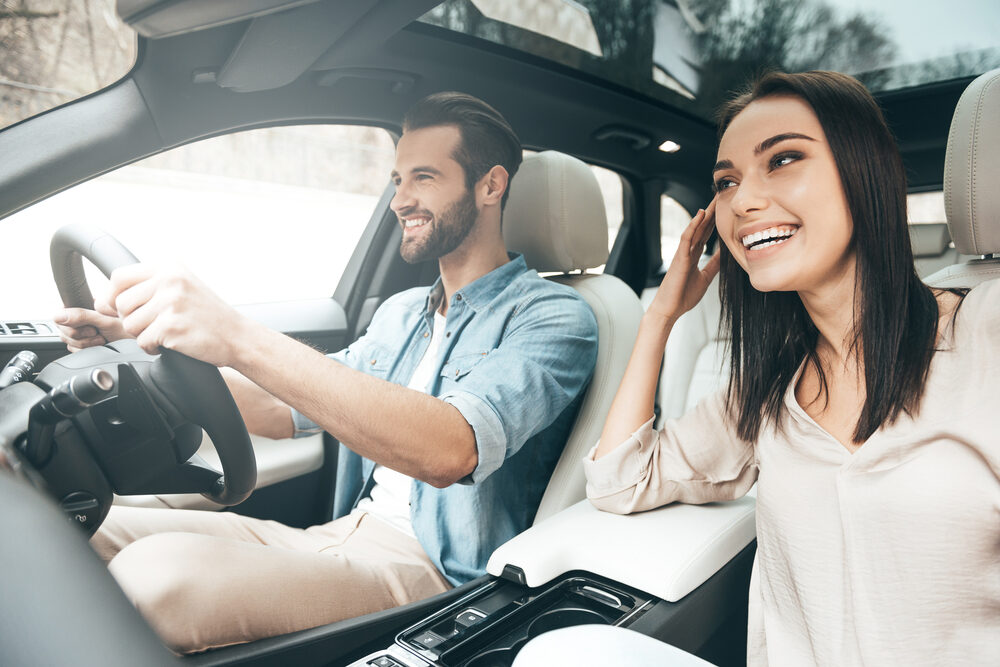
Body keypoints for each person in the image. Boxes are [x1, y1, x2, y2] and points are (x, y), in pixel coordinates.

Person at [57, 92, 599, 654]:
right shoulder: (402, 313)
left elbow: (451, 450)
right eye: (397, 180)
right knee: (73, 524)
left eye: (424, 177)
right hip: (338, 536)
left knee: (151, 577)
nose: (400, 200)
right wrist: (140, 349)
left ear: (490, 186)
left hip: (437, 576)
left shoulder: (555, 318)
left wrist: (235, 334)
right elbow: (283, 408)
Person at [581, 71, 999, 665]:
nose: (742, 201)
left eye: (782, 160)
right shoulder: (767, 392)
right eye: (726, 182)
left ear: (863, 172)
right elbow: (618, 479)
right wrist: (660, 318)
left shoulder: (986, 333)